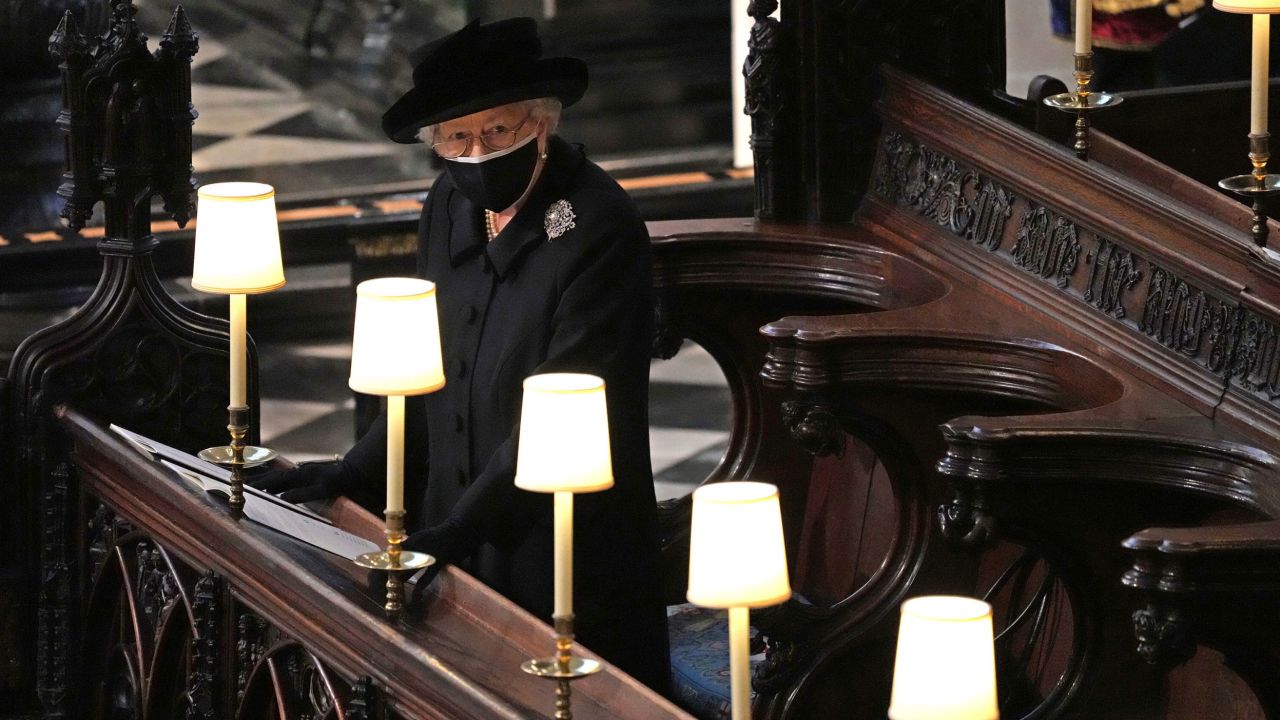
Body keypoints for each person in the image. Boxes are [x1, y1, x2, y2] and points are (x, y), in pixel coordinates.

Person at [253, 17, 670, 692]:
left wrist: (457, 532)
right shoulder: (448, 203)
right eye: (455, 138)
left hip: (557, 549)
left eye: (496, 131)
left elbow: (562, 410)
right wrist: (348, 471)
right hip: (449, 532)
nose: (475, 152)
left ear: (541, 124)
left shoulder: (598, 226)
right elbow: (427, 377)